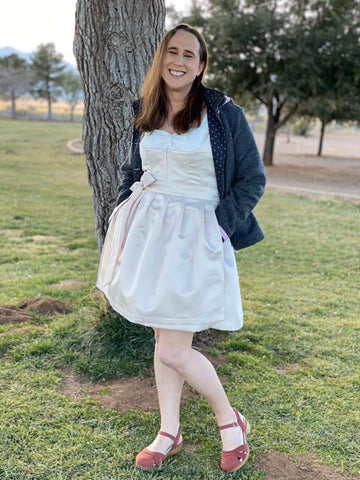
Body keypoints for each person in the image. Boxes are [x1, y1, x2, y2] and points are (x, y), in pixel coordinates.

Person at [96, 23, 266, 473]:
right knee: (163, 336)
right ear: (161, 58)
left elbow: (252, 179)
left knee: (174, 348)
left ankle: (231, 423)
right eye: (172, 52)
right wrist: (123, 221)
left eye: (190, 55)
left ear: (202, 66)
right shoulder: (145, 110)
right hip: (148, 237)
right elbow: (135, 171)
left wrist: (220, 226)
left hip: (197, 237)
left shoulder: (222, 112)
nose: (179, 61)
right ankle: (169, 430)